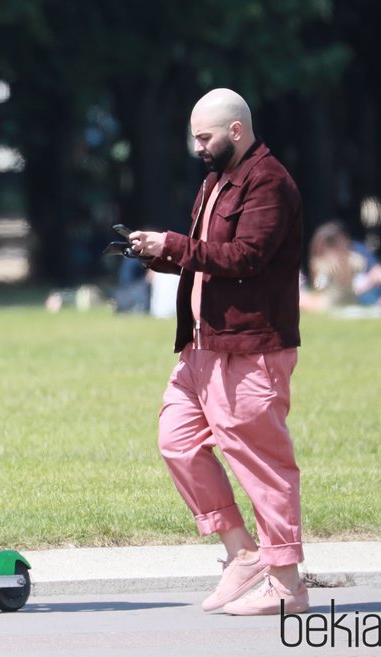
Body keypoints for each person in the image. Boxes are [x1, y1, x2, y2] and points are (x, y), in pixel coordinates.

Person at [128, 88, 309, 616]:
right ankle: (242, 553)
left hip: (249, 349)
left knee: (261, 464)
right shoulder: (215, 182)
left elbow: (247, 256)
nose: (197, 147)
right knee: (177, 440)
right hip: (202, 346)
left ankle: (288, 587)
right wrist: (158, 254)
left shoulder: (269, 181)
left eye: (204, 137)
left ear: (235, 130)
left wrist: (175, 245)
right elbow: (207, 259)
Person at [299, 221, 381, 313]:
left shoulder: (325, 264)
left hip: (330, 302)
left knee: (299, 297)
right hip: (351, 299)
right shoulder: (354, 258)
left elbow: (319, 285)